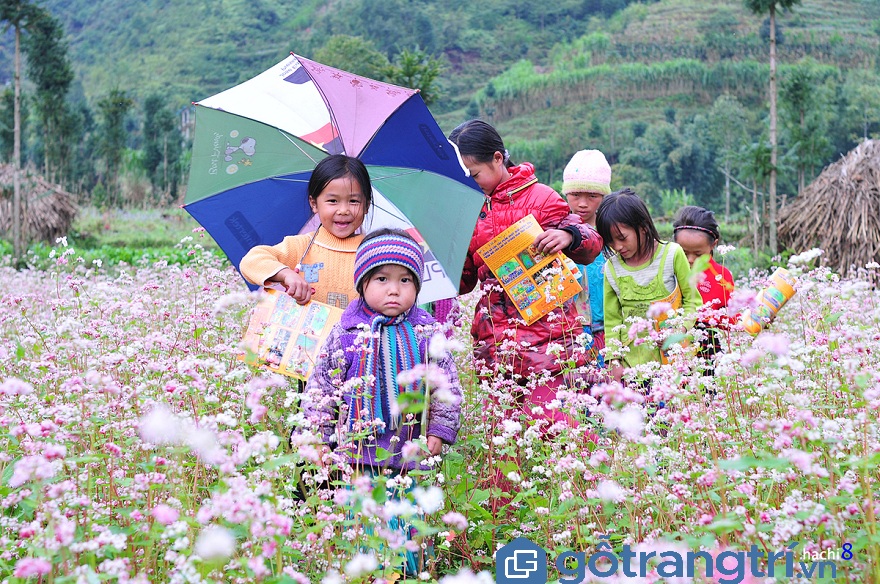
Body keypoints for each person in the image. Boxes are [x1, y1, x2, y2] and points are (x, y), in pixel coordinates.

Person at [302, 228, 463, 573]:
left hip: (410, 455)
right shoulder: (345, 333)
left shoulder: (426, 332)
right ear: (362, 284)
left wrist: (439, 428)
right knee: (362, 529)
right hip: (357, 456)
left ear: (418, 287)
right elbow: (322, 389)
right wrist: (317, 436)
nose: (394, 288)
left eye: (406, 279)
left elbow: (447, 386)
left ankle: (407, 573)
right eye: (382, 278)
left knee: (408, 528)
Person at [448, 119, 603, 428]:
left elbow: (591, 244)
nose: (470, 182)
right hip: (495, 338)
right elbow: (465, 281)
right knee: (505, 435)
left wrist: (569, 236)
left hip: (549, 333)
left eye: (474, 174)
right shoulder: (465, 209)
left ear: (497, 158)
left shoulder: (541, 198)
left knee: (552, 426)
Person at [596, 188, 702, 382]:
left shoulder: (672, 254)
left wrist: (680, 331)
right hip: (632, 369)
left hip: (672, 365)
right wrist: (613, 360)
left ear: (643, 226)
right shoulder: (612, 268)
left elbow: (693, 300)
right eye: (610, 241)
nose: (617, 247)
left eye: (622, 238)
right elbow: (612, 320)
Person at [239, 154, 372, 309]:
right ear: (314, 203)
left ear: (366, 206)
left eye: (353, 201)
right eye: (333, 201)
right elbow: (251, 261)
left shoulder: (373, 251)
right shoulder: (302, 246)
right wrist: (286, 274)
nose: (343, 210)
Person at [562, 149, 612, 366]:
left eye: (592, 196)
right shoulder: (557, 231)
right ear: (566, 194)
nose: (583, 203)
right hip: (569, 328)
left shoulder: (611, 233)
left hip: (606, 327)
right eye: (575, 195)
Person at [672, 205, 735, 371]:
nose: (691, 260)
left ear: (714, 244)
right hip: (674, 342)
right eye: (684, 253)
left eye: (698, 254)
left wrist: (758, 320)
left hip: (708, 350)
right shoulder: (667, 270)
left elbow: (731, 318)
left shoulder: (722, 276)